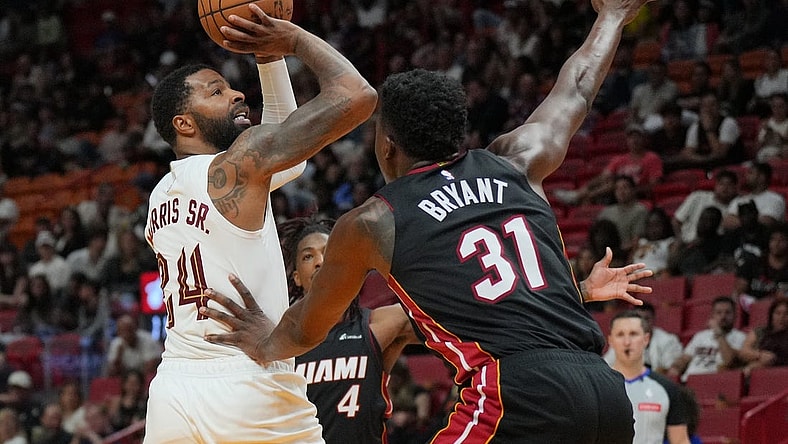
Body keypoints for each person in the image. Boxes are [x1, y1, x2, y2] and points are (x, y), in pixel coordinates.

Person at [202, 0, 656, 441]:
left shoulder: (374, 220)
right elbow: (576, 89)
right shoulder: (517, 162)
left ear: (387, 146)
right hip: (605, 392)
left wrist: (262, 342)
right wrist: (613, 14)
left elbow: (306, 328)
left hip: (514, 394)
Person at [142, 4, 377, 443]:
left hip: (173, 389)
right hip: (246, 380)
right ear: (184, 123)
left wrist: (267, 60)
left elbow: (288, 162)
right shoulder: (233, 172)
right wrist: (290, 40)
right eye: (215, 92)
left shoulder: (162, 194)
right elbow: (357, 94)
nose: (236, 95)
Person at [278, 216, 418, 444]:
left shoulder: (376, 326)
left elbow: (446, 317)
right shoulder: (282, 343)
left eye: (327, 251)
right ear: (297, 278)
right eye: (308, 256)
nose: (319, 261)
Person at [608, 310, 691, 444]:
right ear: (610, 340)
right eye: (620, 335)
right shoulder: (596, 387)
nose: (627, 342)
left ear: (646, 339)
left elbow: (680, 440)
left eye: (633, 334)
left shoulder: (667, 388)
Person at [667, 296, 746, 382]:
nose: (723, 316)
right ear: (712, 315)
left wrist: (718, 333)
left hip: (714, 382)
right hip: (688, 381)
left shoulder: (741, 337)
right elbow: (686, 358)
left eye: (727, 313)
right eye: (719, 313)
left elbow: (729, 361)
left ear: (735, 315)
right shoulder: (701, 336)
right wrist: (675, 367)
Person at [603, 302, 683, 374]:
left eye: (646, 319)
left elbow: (671, 370)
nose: (642, 323)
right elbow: (606, 365)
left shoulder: (668, 340)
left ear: (654, 320)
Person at [672, 169, 739, 245]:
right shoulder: (698, 196)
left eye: (729, 185)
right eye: (721, 184)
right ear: (715, 185)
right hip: (687, 242)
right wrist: (679, 240)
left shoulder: (735, 207)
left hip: (711, 247)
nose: (725, 188)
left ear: (735, 188)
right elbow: (676, 221)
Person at [737, 296, 788, 376]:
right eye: (778, 313)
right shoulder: (760, 331)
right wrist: (760, 355)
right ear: (771, 315)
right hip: (752, 372)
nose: (781, 317)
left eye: (786, 314)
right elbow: (743, 352)